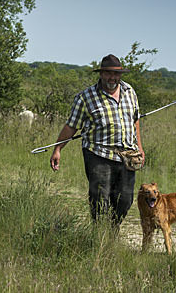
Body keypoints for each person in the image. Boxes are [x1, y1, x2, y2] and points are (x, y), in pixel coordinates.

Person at [50, 54, 144, 227]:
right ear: (101, 74)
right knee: (100, 199)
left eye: (116, 74)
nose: (112, 78)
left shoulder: (130, 91)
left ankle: (111, 230)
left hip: (128, 155)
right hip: (98, 154)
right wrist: (58, 149)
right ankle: (99, 236)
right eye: (108, 73)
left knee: (125, 200)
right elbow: (72, 126)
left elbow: (135, 120)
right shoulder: (85, 97)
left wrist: (140, 147)